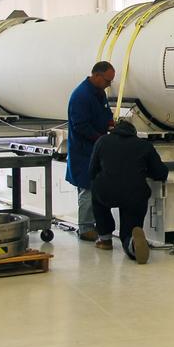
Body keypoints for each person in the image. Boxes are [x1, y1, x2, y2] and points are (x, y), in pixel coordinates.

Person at [88, 119, 168, 263]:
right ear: (134, 132)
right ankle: (131, 243)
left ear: (114, 129)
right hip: (135, 193)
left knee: (96, 196)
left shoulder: (102, 141)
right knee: (129, 228)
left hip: (106, 191)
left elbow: (91, 171)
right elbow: (161, 173)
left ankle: (105, 239)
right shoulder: (144, 145)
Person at [67, 61, 114, 241]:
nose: (109, 85)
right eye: (107, 81)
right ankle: (85, 228)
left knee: (93, 187)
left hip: (95, 149)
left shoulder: (98, 93)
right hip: (84, 150)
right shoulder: (81, 96)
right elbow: (80, 126)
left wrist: (110, 124)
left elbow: (106, 112)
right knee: (87, 187)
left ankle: (91, 224)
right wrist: (100, 138)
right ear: (96, 76)